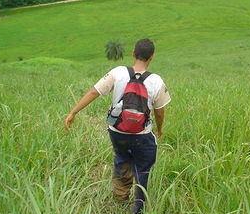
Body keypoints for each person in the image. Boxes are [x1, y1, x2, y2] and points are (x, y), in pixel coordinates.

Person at [64, 38, 171, 214]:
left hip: (117, 131)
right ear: (151, 57)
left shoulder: (118, 72)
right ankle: (138, 205)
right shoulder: (156, 81)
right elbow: (159, 112)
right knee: (143, 168)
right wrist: (159, 130)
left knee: (121, 159)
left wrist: (73, 112)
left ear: (133, 54)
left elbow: (93, 92)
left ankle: (121, 195)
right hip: (143, 134)